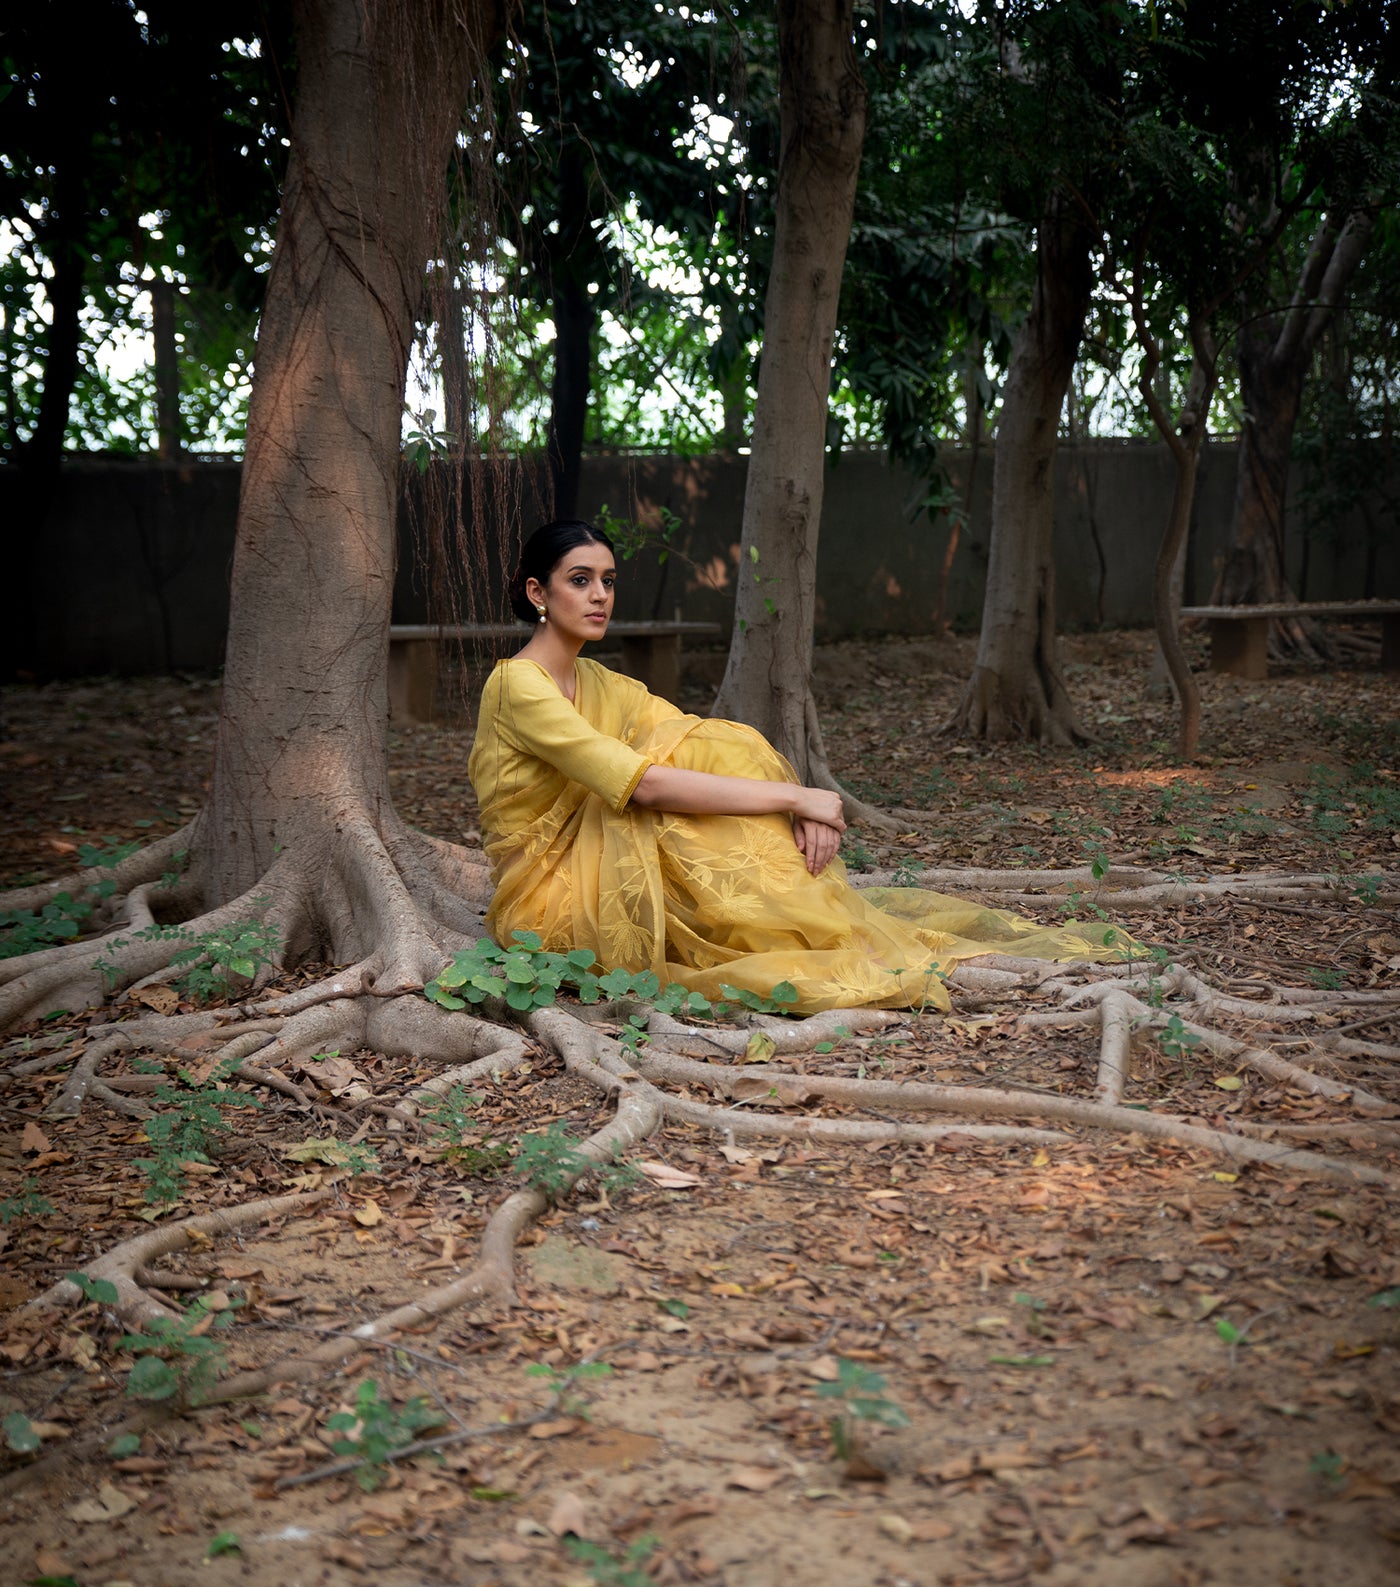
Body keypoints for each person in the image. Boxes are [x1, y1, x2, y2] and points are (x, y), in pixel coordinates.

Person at [468, 520, 1132, 1015]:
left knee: (717, 742)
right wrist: (801, 799)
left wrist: (791, 794)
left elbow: (694, 745)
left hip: (600, 861)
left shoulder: (596, 680)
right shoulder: (517, 686)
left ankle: (800, 920)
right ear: (537, 591)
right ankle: (798, 926)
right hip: (546, 896)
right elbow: (641, 785)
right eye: (579, 580)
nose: (599, 596)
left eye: (608, 581)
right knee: (661, 808)